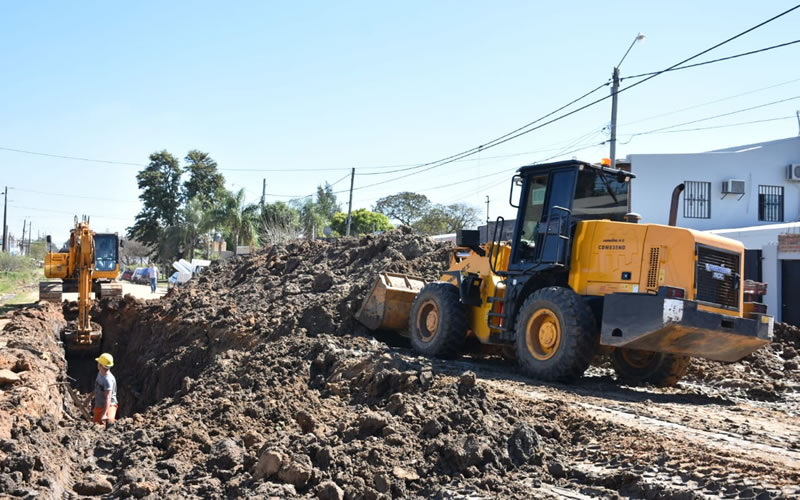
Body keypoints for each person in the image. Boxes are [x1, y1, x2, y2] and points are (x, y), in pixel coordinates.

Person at [93, 353, 118, 427]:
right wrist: (88, 398)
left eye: (98, 362)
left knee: (109, 422)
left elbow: (108, 398)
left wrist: (104, 414)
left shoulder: (108, 380)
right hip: (99, 405)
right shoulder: (100, 373)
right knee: (95, 425)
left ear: (101, 365)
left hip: (109, 405)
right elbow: (97, 387)